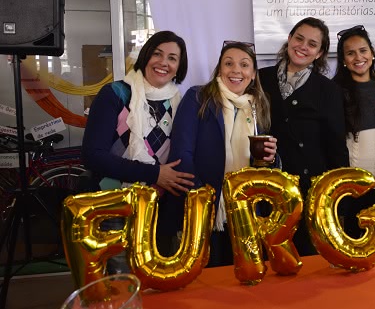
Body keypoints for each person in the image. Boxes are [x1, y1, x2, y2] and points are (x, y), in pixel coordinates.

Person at [82, 30, 194, 273]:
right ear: (146, 56)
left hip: (159, 208)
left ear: (179, 66)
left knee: (157, 283)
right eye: (157, 54)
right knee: (120, 282)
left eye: (172, 58)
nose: (164, 62)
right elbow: (92, 155)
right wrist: (155, 174)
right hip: (115, 207)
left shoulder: (181, 101)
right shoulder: (115, 94)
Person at [160, 41, 277, 267]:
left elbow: (263, 165)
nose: (236, 70)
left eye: (244, 65)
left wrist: (272, 159)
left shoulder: (256, 106)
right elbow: (182, 153)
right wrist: (205, 197)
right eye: (228, 63)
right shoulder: (198, 97)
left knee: (243, 277)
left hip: (245, 210)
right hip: (204, 207)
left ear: (253, 75)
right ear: (219, 69)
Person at [258, 17, 349, 255]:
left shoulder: (328, 90)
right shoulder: (259, 78)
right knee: (268, 254)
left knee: (305, 257)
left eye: (312, 44)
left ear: (319, 53)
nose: (303, 47)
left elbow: (336, 145)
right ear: (289, 40)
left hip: (309, 189)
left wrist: (338, 196)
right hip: (266, 185)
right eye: (299, 38)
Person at [332, 25, 375, 238]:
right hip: (353, 188)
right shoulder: (336, 92)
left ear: (372, 54)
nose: (358, 57)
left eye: (363, 50)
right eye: (350, 53)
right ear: (343, 60)